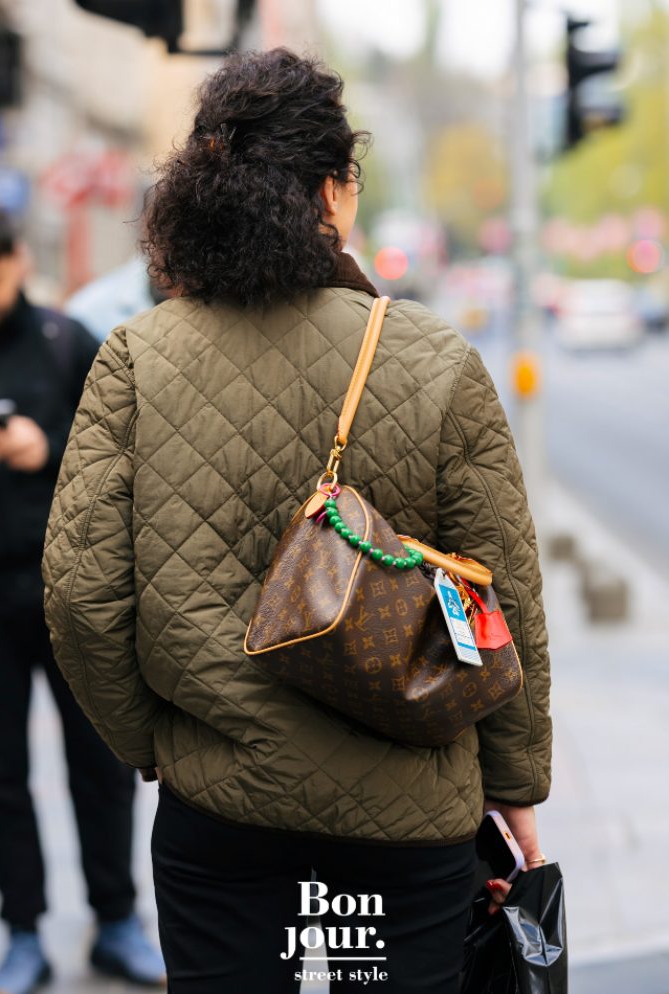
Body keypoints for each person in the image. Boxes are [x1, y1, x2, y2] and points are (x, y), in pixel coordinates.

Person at [42, 49, 552, 994]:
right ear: (334, 191)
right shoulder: (437, 358)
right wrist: (516, 780)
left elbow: (80, 595)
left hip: (221, 828)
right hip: (411, 826)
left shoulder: (136, 359)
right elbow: (503, 592)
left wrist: (153, 743)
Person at [0, 211, 166, 994]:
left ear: (18, 260)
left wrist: (47, 446)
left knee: (99, 767)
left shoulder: (70, 341)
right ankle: (24, 929)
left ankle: (116, 920)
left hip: (71, 595)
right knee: (3, 776)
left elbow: (122, 453)